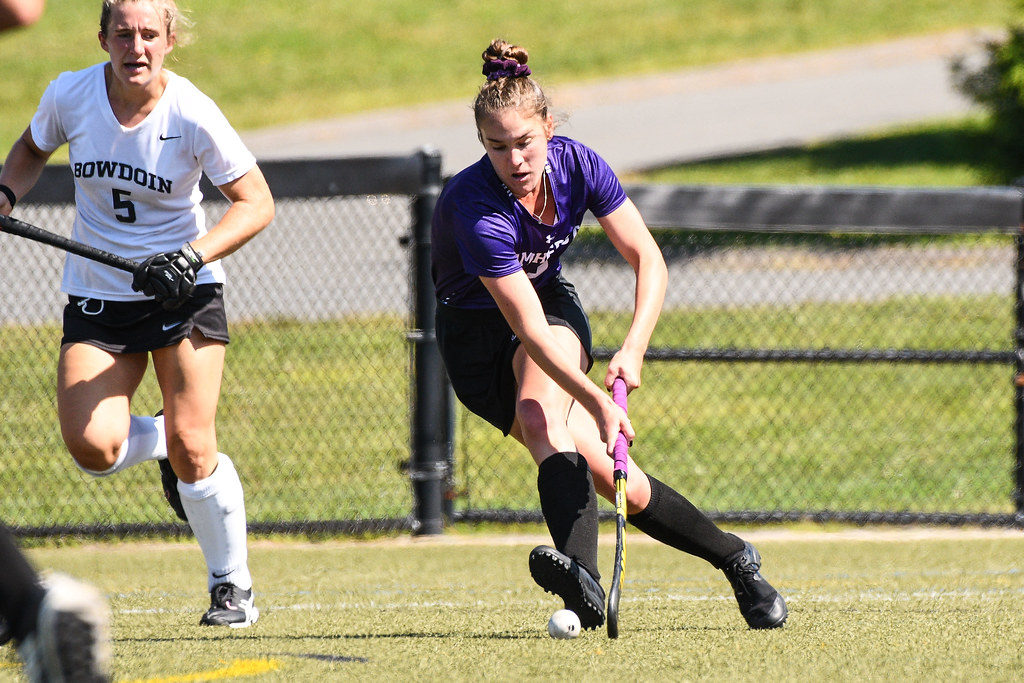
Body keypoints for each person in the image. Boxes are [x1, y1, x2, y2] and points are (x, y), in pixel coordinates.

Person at [431, 39, 788, 631]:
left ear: (548, 127)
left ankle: (584, 586)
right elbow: (519, 326)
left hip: (550, 309)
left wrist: (633, 348)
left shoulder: (579, 165)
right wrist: (597, 400)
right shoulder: (474, 208)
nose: (515, 160)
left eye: (525, 143)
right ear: (482, 145)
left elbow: (648, 257)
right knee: (602, 466)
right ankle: (735, 557)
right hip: (475, 336)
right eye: (498, 148)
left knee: (540, 414)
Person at [0, 0, 274, 628]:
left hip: (184, 293)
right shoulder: (70, 96)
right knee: (93, 448)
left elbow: (256, 202)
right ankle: (162, 444)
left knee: (194, 447)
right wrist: (6, 193)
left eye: (150, 33)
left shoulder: (193, 111)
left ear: (170, 40)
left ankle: (232, 586)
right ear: (103, 38)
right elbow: (30, 147)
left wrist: (190, 256)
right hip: (101, 298)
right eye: (123, 33)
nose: (137, 46)